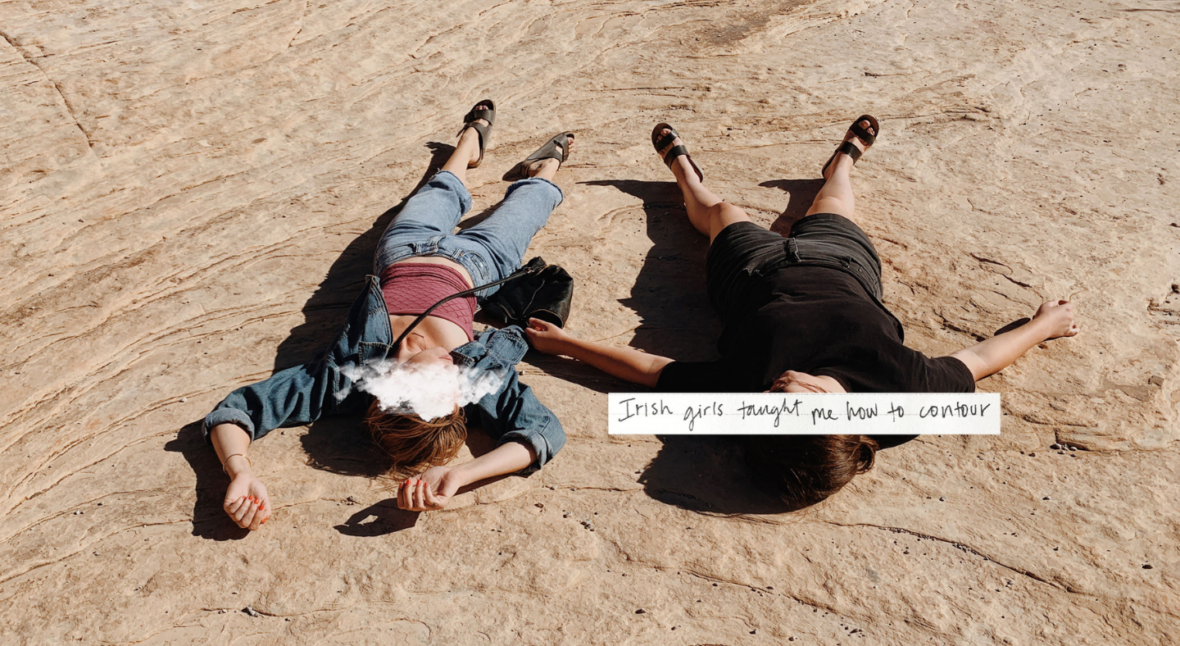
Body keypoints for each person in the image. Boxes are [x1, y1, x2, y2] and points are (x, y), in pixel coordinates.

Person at [525, 116, 1079, 508]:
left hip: (749, 277)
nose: (777, 383)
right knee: (831, 204)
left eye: (769, 399)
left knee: (723, 211)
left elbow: (651, 371)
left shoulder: (750, 405)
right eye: (791, 391)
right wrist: (1041, 327)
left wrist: (566, 346)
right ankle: (843, 161)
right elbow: (978, 359)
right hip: (845, 268)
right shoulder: (906, 398)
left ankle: (683, 173)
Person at [204, 100, 576, 529]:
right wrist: (460, 475)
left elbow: (239, 409)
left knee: (440, 191)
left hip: (405, 248)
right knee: (534, 204)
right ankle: (544, 166)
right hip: (481, 262)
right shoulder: (470, 384)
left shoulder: (344, 376)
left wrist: (240, 471)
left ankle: (468, 143)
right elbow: (544, 432)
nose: (454, 373)